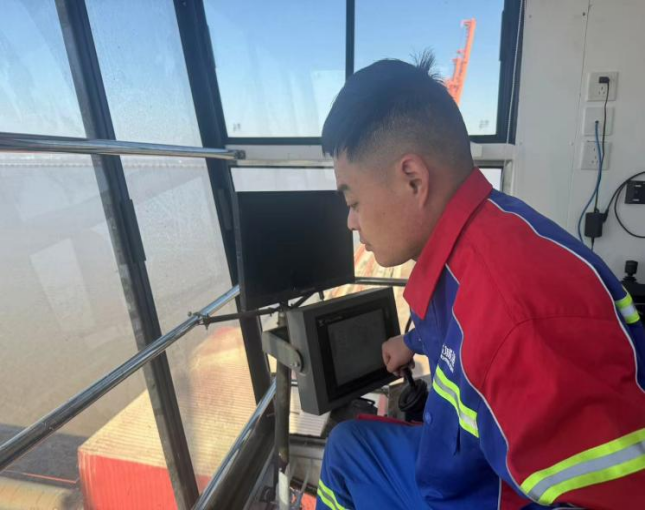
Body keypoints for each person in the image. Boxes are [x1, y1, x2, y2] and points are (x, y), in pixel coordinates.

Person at [315, 55, 645, 510]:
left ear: (413, 179)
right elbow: (462, 329)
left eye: (353, 201)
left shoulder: (518, 320)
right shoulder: (473, 240)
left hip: (482, 496)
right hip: (458, 471)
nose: (351, 221)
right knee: (348, 448)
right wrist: (412, 341)